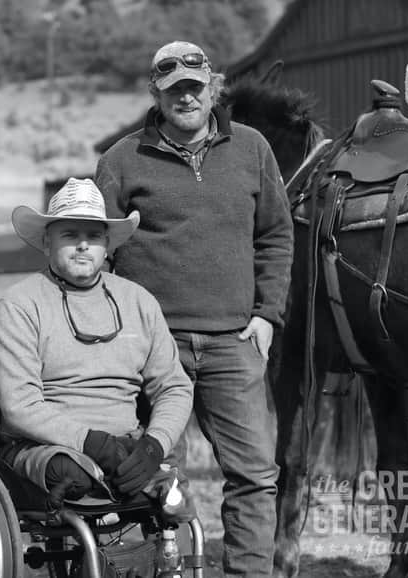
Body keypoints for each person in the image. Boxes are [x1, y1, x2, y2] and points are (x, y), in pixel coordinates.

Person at [95, 40, 294, 576]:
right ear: (156, 94)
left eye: (195, 86)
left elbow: (276, 234)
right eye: (174, 89)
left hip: (236, 341)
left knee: (255, 474)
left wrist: (266, 314)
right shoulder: (119, 159)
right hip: (156, 348)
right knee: (161, 476)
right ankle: (174, 570)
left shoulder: (252, 149)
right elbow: (98, 254)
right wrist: (120, 333)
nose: (186, 97)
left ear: (214, 88)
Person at [0, 177, 194, 511]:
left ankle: (163, 562)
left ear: (107, 245)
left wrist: (154, 445)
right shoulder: (19, 306)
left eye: (94, 236)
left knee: (172, 488)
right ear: (46, 242)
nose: (84, 245)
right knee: (73, 475)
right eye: (71, 235)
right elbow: (20, 406)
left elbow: (174, 386)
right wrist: (94, 444)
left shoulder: (138, 301)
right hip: (49, 447)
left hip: (129, 444)